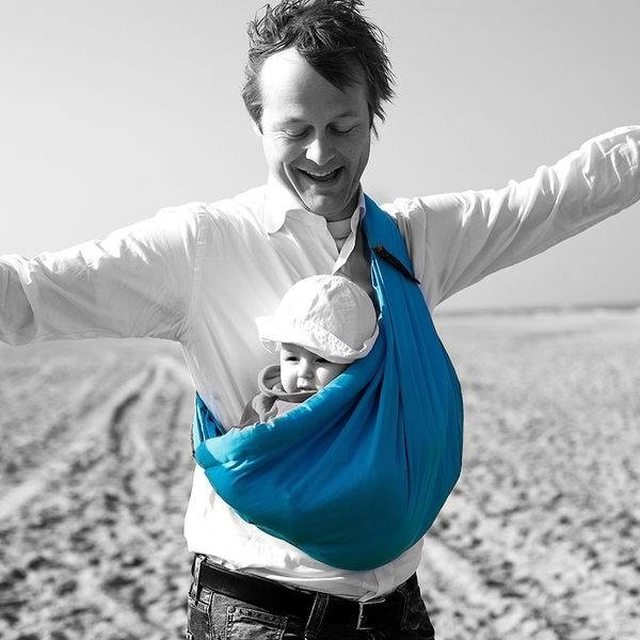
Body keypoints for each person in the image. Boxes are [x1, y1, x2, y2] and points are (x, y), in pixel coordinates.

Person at [0, 0, 639, 638]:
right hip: (259, 613)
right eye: (294, 129)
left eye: (343, 126)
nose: (320, 152)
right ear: (258, 122)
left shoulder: (411, 240)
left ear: (373, 116)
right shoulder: (202, 246)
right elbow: (31, 293)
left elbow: (552, 200)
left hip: (395, 611)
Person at [237, 273, 379, 427]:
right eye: (292, 358)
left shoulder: (362, 407)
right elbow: (239, 441)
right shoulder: (264, 404)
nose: (303, 372)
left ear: (354, 366)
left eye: (321, 360)